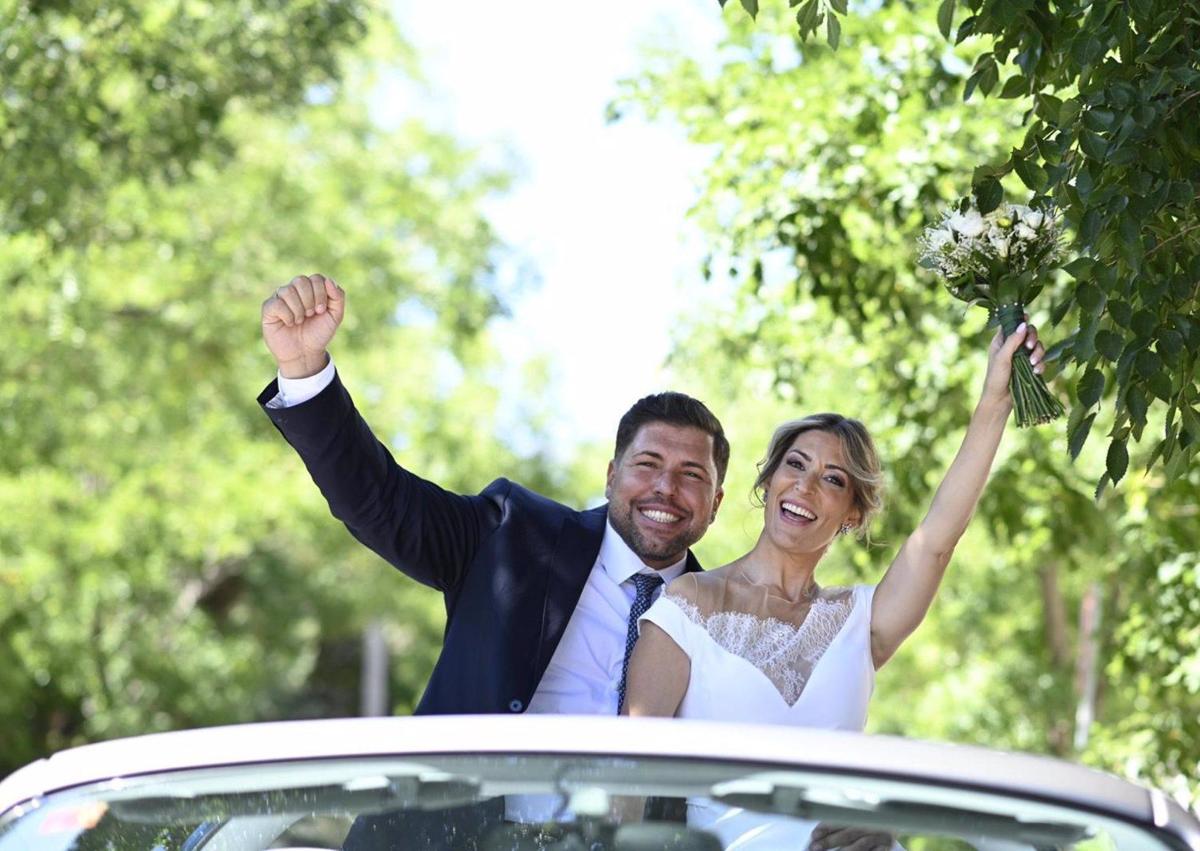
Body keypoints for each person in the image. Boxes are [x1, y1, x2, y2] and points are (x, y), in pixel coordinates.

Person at [258, 274, 729, 848]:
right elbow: (378, 501)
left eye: (691, 475)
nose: (665, 489)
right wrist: (306, 370)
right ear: (610, 477)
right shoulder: (512, 536)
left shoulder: (727, 622)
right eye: (647, 465)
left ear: (715, 504)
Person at [623, 322, 1046, 850]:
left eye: (833, 479)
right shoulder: (683, 608)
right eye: (794, 465)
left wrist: (995, 400)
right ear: (768, 481)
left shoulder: (861, 622)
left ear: (851, 515)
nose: (805, 484)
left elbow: (936, 539)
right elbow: (627, 785)